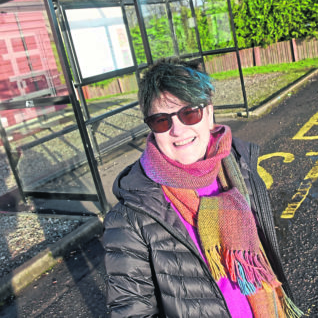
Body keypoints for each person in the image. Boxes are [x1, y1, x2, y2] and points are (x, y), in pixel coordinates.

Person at [103, 59, 303, 318]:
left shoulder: (239, 168)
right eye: (162, 120)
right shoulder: (130, 218)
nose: (178, 130)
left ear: (208, 113)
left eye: (189, 113)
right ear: (150, 127)